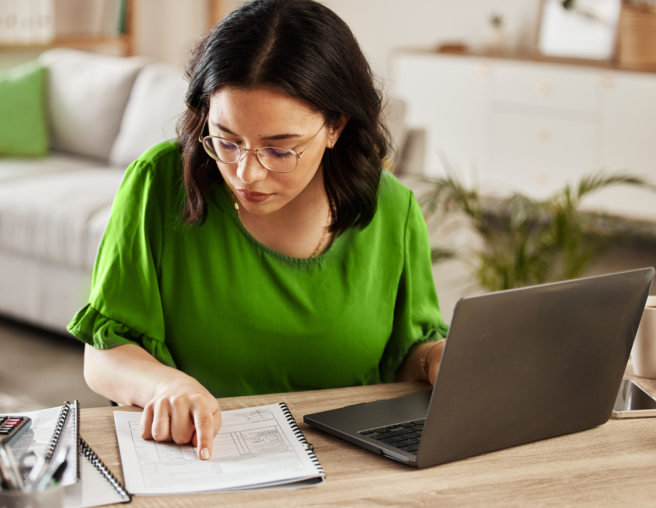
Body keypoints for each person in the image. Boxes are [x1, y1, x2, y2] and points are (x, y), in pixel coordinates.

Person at [68, 0, 449, 462]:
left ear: (335, 126)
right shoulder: (158, 184)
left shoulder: (392, 208)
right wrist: (165, 384)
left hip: (355, 467)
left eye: (279, 149)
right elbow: (104, 354)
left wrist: (437, 360)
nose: (246, 173)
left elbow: (408, 356)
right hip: (205, 460)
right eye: (226, 140)